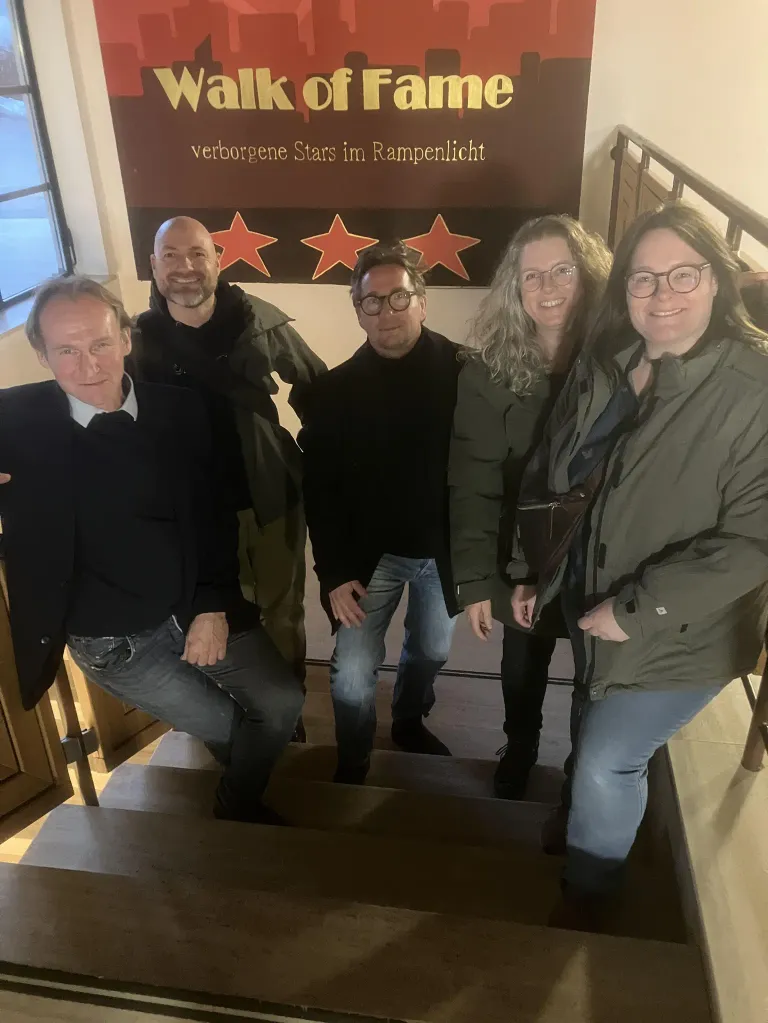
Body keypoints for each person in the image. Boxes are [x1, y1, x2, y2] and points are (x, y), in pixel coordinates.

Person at [509, 202, 768, 916]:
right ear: (622, 288)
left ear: (718, 279)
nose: (662, 295)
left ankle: (587, 901)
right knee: (588, 715)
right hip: (592, 599)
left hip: (678, 631)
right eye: (644, 278)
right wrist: (533, 567)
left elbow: (754, 541)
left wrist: (636, 610)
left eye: (683, 274)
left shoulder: (755, 388)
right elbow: (554, 471)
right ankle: (577, 817)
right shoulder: (611, 362)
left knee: (608, 757)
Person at [0, 277, 305, 824]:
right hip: (114, 639)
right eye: (66, 350)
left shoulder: (181, 411)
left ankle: (235, 803)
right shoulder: (13, 421)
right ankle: (244, 815)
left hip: (194, 601)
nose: (88, 364)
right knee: (232, 729)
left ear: (124, 338)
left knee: (281, 704)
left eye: (99, 343)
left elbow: (212, 515)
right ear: (42, 355)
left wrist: (211, 605)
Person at [449, 216, 611, 820]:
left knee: (595, 678)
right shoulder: (485, 374)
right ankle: (518, 751)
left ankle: (580, 773)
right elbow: (471, 484)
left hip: (601, 557)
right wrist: (473, 583)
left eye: (562, 270)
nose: (547, 286)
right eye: (532, 274)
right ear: (514, 289)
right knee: (521, 671)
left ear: (589, 275)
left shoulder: (625, 359)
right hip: (520, 559)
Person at [132, 216, 326, 700]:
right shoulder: (133, 340)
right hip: (191, 516)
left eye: (198, 253)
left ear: (217, 261)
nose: (185, 267)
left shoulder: (258, 317)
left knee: (283, 613)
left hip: (271, 499)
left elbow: (320, 389)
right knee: (217, 617)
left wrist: (312, 456)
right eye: (171, 255)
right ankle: (238, 709)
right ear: (153, 265)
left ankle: (288, 711)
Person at [300, 242, 462, 782]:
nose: (386, 312)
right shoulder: (332, 393)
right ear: (357, 310)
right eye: (372, 302)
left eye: (399, 298)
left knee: (432, 650)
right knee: (349, 676)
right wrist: (334, 574)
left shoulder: (469, 374)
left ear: (422, 302)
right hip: (370, 559)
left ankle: (410, 721)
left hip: (445, 552)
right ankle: (353, 761)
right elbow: (320, 492)